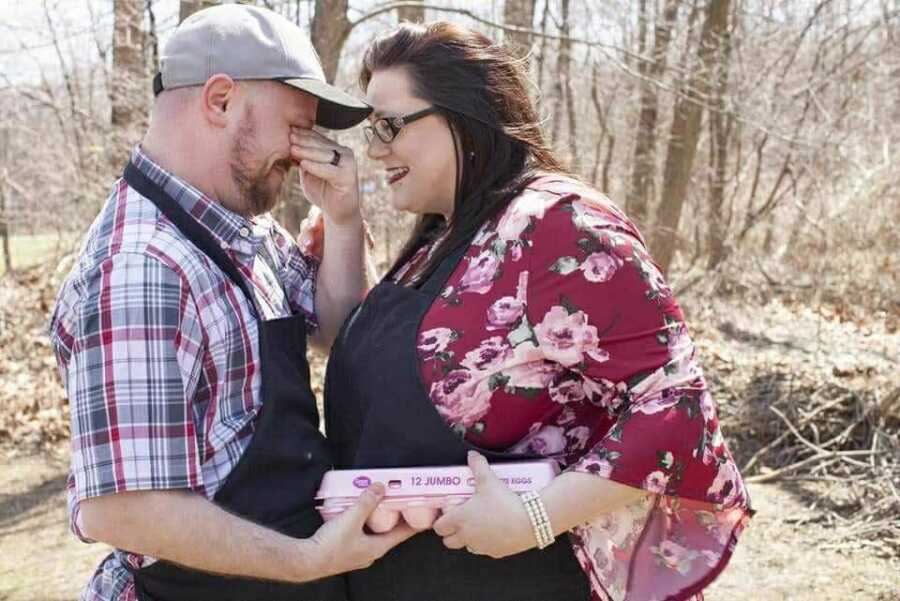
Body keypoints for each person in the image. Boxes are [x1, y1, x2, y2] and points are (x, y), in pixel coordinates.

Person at [309, 22, 753, 601]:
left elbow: (676, 406)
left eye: (390, 125)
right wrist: (344, 224)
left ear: (464, 115)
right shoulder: (441, 237)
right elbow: (374, 356)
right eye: (372, 130)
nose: (374, 148)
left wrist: (533, 519)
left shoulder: (558, 224)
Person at [48, 5, 413, 601]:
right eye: (297, 126)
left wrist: (345, 222)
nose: (305, 152)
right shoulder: (142, 267)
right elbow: (125, 508)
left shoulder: (242, 229)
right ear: (219, 101)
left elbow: (341, 332)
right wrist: (305, 560)